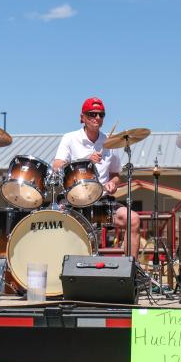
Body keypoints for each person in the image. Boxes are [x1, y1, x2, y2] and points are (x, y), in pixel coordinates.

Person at [52, 97, 141, 258]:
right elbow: (57, 165)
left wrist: (112, 184)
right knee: (60, 228)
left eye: (101, 114)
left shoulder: (110, 141)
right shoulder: (70, 138)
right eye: (92, 114)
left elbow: (115, 175)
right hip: (75, 200)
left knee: (133, 219)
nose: (97, 118)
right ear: (82, 117)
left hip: (102, 200)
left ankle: (133, 272)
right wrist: (86, 158)